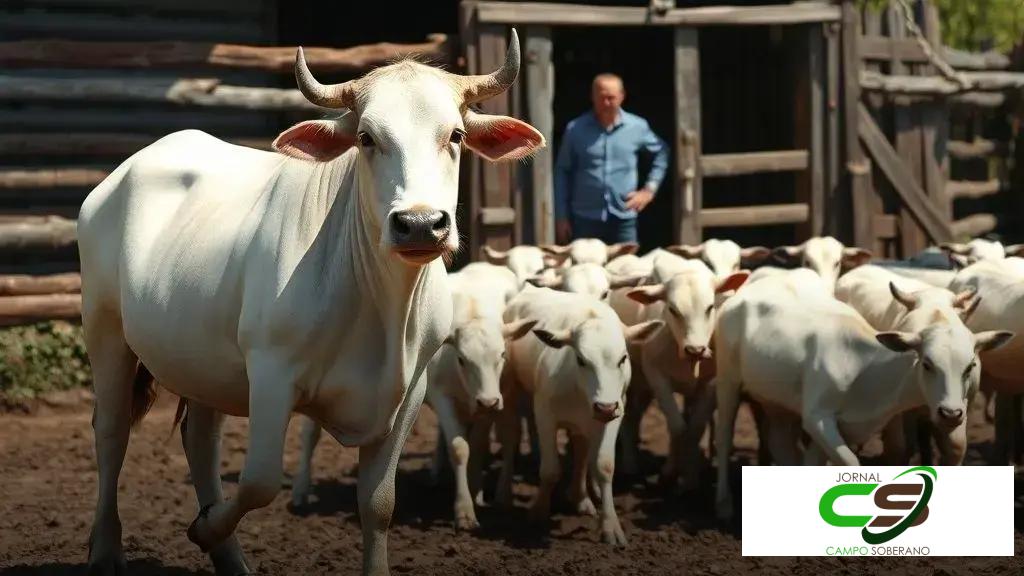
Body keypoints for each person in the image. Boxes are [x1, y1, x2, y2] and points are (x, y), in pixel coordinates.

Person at [553, 73, 669, 245]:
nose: (606, 103)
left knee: (626, 262)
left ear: (622, 96)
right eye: (602, 98)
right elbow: (563, 171)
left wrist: (649, 190)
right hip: (585, 219)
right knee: (586, 263)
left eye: (611, 98)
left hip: (624, 217)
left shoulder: (637, 127)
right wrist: (561, 216)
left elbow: (661, 152)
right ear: (592, 97)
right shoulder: (575, 129)